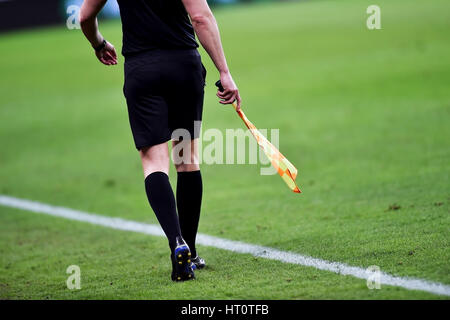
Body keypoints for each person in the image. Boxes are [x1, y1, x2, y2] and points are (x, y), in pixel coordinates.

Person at [80, 0, 241, 281]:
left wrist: (99, 43)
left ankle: (176, 242)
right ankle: (190, 248)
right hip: (183, 66)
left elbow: (84, 17)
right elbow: (200, 18)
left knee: (155, 163)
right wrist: (224, 72)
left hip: (142, 70)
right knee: (187, 159)